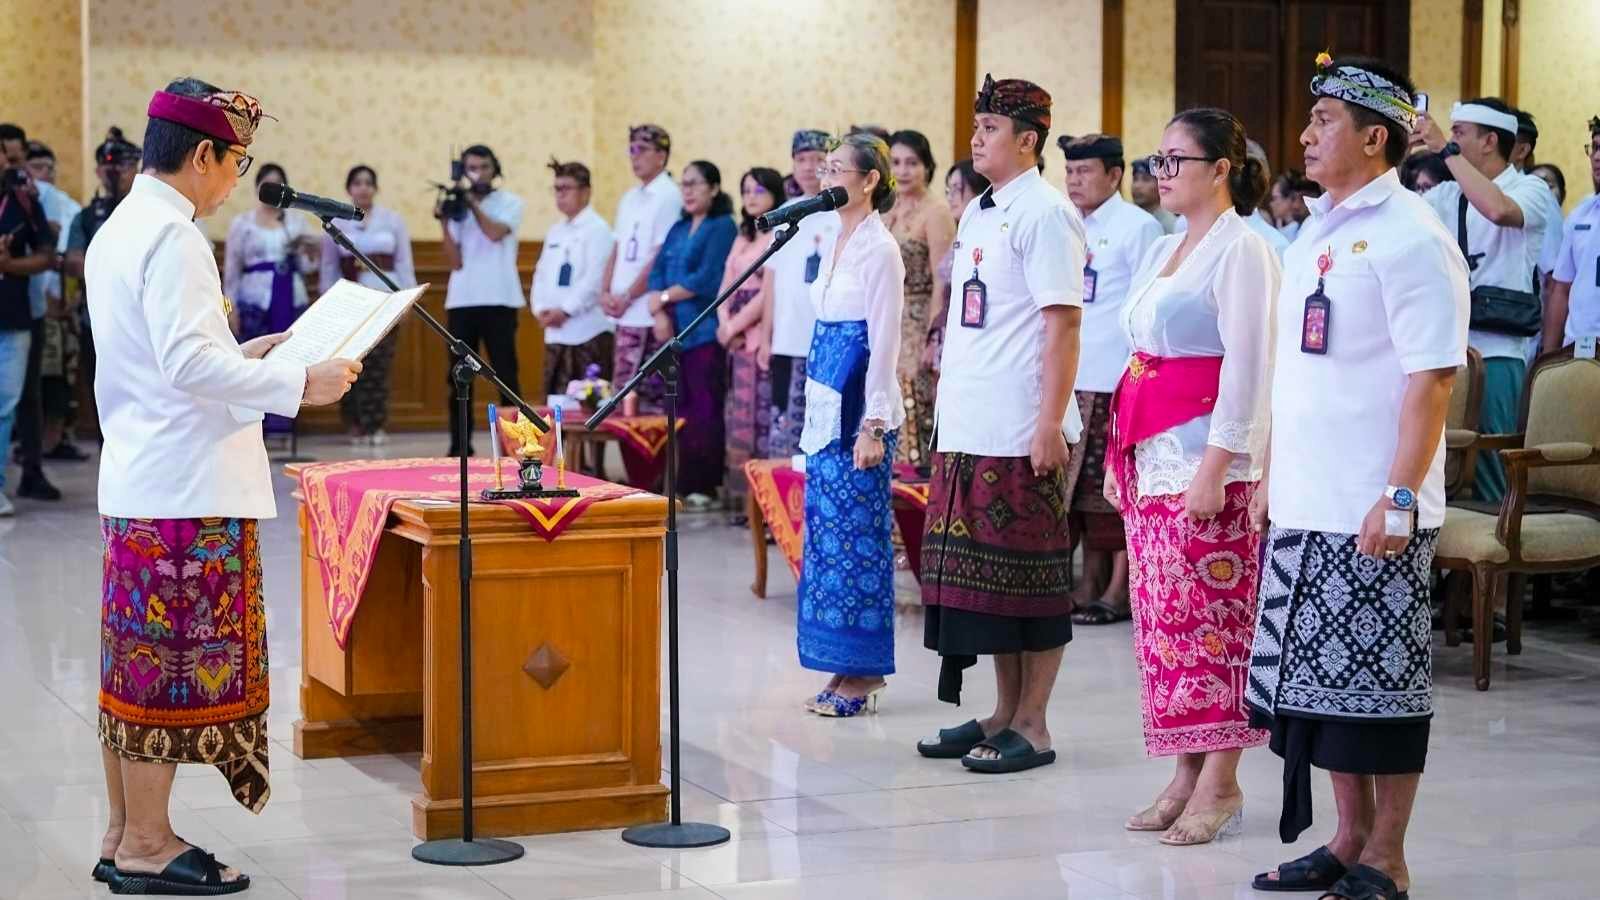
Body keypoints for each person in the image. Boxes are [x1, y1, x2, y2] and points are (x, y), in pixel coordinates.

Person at [88, 77, 361, 894]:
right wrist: (299, 382)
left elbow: (161, 363)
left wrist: (248, 357)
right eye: (235, 162)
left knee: (134, 669)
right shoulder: (173, 238)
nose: (235, 181)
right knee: (166, 673)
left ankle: (122, 834)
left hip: (145, 478)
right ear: (202, 154)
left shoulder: (121, 227)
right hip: (185, 492)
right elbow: (182, 364)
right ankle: (147, 843)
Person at [1246, 56, 1467, 900]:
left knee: (1380, 691)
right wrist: (1271, 474)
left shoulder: (1414, 235)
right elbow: (1297, 371)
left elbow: (1431, 379)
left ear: (1375, 138)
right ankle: (1345, 840)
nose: (1305, 134)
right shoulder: (1316, 229)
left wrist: (1399, 496)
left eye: (1325, 120)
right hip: (1308, 500)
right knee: (1321, 694)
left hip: (1375, 506)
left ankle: (1387, 857)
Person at [1105, 109, 1279, 845]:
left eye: (1176, 160)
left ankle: (1221, 781)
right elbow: (1139, 355)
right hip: (1152, 456)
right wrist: (1120, 454)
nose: (1162, 172)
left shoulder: (1244, 250)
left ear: (1222, 170)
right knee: (1165, 628)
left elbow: (1249, 367)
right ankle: (1183, 771)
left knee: (1214, 627)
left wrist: (1217, 465)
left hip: (1211, 463)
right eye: (1158, 159)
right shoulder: (1164, 247)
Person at [917, 75, 1086, 774]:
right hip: (968, 423)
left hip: (1020, 427)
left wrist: (1049, 422)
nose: (976, 138)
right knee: (992, 589)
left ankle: (1034, 724)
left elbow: (1063, 325)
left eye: (990, 128)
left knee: (1032, 582)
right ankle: (1002, 713)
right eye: (977, 126)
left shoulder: (1046, 213)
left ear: (1028, 140)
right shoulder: (983, 212)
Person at [797, 134, 906, 717]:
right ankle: (840, 662)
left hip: (860, 410)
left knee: (858, 542)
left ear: (869, 181)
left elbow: (885, 343)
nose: (828, 177)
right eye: (826, 167)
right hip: (824, 406)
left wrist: (874, 424)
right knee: (827, 539)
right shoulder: (831, 237)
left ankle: (866, 670)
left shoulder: (881, 250)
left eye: (840, 169)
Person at [1414, 98, 1552, 503]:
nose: (1451, 138)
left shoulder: (1530, 188)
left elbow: (1497, 209)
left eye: (1459, 132)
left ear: (1490, 141)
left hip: (1499, 351)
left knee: (1491, 462)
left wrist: (1444, 150)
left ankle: (1495, 538)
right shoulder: (1446, 194)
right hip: (1448, 349)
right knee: (1439, 460)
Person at [1057, 133, 1164, 627]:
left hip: (1114, 378)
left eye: (1085, 171)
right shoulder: (1065, 222)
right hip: (1071, 377)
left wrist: (1135, 380)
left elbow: (1145, 307)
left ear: (1115, 175)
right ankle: (1089, 582)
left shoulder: (1138, 228)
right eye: (1069, 171)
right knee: (1074, 493)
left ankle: (1120, 590)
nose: (1074, 180)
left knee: (1111, 493)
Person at [647, 160, 737, 510]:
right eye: (683, 184)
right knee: (674, 407)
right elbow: (657, 272)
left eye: (695, 183)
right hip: (671, 333)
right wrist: (658, 311)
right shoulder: (679, 227)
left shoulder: (722, 226)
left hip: (702, 332)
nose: (687, 190)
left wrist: (663, 298)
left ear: (713, 188)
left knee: (703, 409)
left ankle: (704, 485)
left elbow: (708, 278)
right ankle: (675, 481)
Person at [436, 144, 524, 456]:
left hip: (500, 299)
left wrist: (471, 203)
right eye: (472, 168)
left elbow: (495, 233)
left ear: (494, 168)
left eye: (484, 167)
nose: (478, 174)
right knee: (459, 378)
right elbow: (455, 261)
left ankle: (516, 446)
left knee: (505, 375)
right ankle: (460, 448)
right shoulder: (458, 209)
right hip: (462, 300)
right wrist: (444, 221)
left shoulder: (510, 202)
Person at [317, 164, 415, 446]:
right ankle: (355, 424)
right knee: (351, 365)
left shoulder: (393, 220)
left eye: (368, 183)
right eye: (357, 183)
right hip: (352, 302)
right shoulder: (336, 221)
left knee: (380, 366)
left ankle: (377, 424)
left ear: (376, 188)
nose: (363, 188)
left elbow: (404, 263)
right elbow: (328, 267)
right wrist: (328, 303)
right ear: (349, 189)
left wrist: (407, 299)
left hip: (386, 300)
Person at [63, 127, 142, 458]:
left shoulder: (147, 212)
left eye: (124, 165)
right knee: (104, 397)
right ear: (98, 171)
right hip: (96, 322)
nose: (117, 173)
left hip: (142, 324)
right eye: (110, 166)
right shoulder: (87, 217)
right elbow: (74, 262)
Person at [224, 163, 317, 439]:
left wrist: (308, 251)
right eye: (268, 184)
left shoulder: (295, 222)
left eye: (279, 184)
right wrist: (230, 308)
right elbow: (232, 270)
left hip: (290, 296)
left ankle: (284, 423)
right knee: (258, 361)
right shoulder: (242, 223)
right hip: (254, 299)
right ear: (258, 188)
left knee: (289, 359)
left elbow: (308, 266)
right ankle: (256, 424)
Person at [760, 129, 837, 457]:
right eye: (801, 159)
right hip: (786, 338)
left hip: (824, 337)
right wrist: (766, 337)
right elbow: (770, 282)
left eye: (817, 159)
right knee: (784, 429)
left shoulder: (840, 214)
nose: (808, 167)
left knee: (821, 430)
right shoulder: (785, 213)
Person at [884, 129, 955, 467]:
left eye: (912, 163)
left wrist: (933, 337)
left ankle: (916, 479)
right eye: (896, 162)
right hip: (886, 315)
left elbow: (943, 280)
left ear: (927, 166)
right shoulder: (886, 207)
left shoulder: (936, 211)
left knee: (912, 395)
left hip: (918, 316)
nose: (902, 171)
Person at [718, 167, 785, 519]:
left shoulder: (779, 233)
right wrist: (724, 323)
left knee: (761, 419)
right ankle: (740, 501)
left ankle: (763, 505)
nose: (751, 197)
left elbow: (766, 294)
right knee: (739, 419)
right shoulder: (742, 236)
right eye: (745, 190)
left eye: (759, 190)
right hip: (735, 338)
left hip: (759, 334)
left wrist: (735, 325)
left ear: (775, 194)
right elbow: (726, 284)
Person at [602, 125, 680, 413]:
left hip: (646, 312)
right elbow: (616, 247)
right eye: (631, 149)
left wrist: (627, 297)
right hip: (622, 311)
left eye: (642, 150)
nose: (634, 156)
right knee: (621, 394)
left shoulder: (669, 196)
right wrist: (604, 291)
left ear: (661, 155)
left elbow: (659, 256)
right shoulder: (629, 197)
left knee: (645, 400)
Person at [0, 136, 56, 515]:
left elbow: (46, 255)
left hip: (14, 317)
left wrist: (9, 265)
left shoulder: (23, 199)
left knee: (5, 405)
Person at [530, 158, 613, 401]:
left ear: (586, 192)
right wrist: (540, 309)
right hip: (556, 333)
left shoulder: (599, 230)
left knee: (588, 405)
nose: (560, 195)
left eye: (566, 188)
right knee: (555, 403)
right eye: (556, 189)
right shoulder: (555, 231)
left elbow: (596, 279)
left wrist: (565, 310)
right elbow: (540, 274)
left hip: (588, 332)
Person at [1542, 119, 1600, 355]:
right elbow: (1561, 289)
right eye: (1595, 147)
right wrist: (1547, 358)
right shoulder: (1580, 214)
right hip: (1580, 349)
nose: (1597, 157)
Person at [928, 160, 990, 381]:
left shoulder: (987, 235)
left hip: (975, 335)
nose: (951, 197)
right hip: (948, 330)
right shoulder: (961, 233)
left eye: (958, 189)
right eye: (949, 190)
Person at [1132, 157, 1180, 234]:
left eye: (1146, 180)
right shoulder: (1129, 218)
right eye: (1135, 179)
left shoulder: (1169, 225)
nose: (1137, 186)